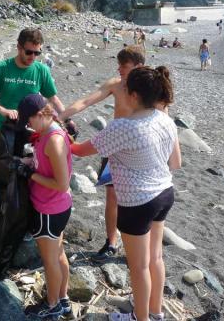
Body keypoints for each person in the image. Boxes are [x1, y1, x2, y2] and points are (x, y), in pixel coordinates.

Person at [71, 66, 182, 321]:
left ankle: (138, 318)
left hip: (138, 202)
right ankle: (155, 312)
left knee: (139, 266)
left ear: (133, 95)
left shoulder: (124, 127)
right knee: (156, 258)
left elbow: (79, 150)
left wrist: (61, 133)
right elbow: (174, 161)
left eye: (123, 89)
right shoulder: (164, 118)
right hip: (164, 193)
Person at [59, 45, 145, 262]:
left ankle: (137, 244)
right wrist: (61, 116)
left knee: (139, 198)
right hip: (114, 146)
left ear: (138, 66)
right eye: (119, 65)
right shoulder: (116, 85)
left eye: (124, 66)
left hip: (139, 149)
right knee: (113, 196)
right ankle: (111, 242)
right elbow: (86, 101)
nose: (119, 69)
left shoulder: (149, 88)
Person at [0, 28, 72, 214]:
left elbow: (53, 99)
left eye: (37, 53)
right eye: (29, 52)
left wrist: (67, 120)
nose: (33, 57)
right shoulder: (2, 68)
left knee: (26, 175)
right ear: (18, 48)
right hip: (3, 127)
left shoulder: (41, 70)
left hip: (31, 131)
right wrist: (4, 110)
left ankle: (22, 210)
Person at [14, 94, 73, 319]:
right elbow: (46, 164)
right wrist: (29, 162)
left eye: (29, 121)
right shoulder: (47, 132)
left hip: (50, 208)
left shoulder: (54, 139)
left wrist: (31, 174)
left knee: (50, 261)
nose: (28, 126)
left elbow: (61, 183)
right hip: (55, 206)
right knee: (58, 255)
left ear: (40, 114)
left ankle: (52, 305)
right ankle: (63, 299)